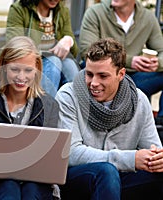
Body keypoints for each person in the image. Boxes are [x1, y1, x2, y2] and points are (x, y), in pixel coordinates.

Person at [56, 37, 163, 200]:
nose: (93, 83)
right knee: (106, 171)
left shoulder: (139, 100)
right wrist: (131, 159)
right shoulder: (68, 96)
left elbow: (153, 149)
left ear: (121, 74)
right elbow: (71, 153)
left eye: (102, 76)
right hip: (78, 179)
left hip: (121, 180)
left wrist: (157, 159)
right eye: (89, 74)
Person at [0, 36, 60, 200]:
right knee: (10, 185)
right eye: (15, 69)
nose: (21, 77)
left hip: (35, 182)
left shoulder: (50, 106)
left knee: (31, 189)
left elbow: (48, 156)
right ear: (3, 67)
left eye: (28, 70)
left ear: (37, 69)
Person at [79, 0, 163, 125]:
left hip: (136, 77)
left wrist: (157, 63)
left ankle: (161, 123)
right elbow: (87, 50)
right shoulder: (95, 12)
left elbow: (161, 50)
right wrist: (130, 61)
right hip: (101, 75)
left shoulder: (148, 17)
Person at [0, 0, 79, 97]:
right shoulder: (19, 9)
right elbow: (16, 47)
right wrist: (48, 54)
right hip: (28, 63)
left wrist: (69, 40)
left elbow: (74, 52)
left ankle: (76, 109)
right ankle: (44, 108)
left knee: (70, 64)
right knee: (54, 61)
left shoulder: (62, 10)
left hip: (54, 63)